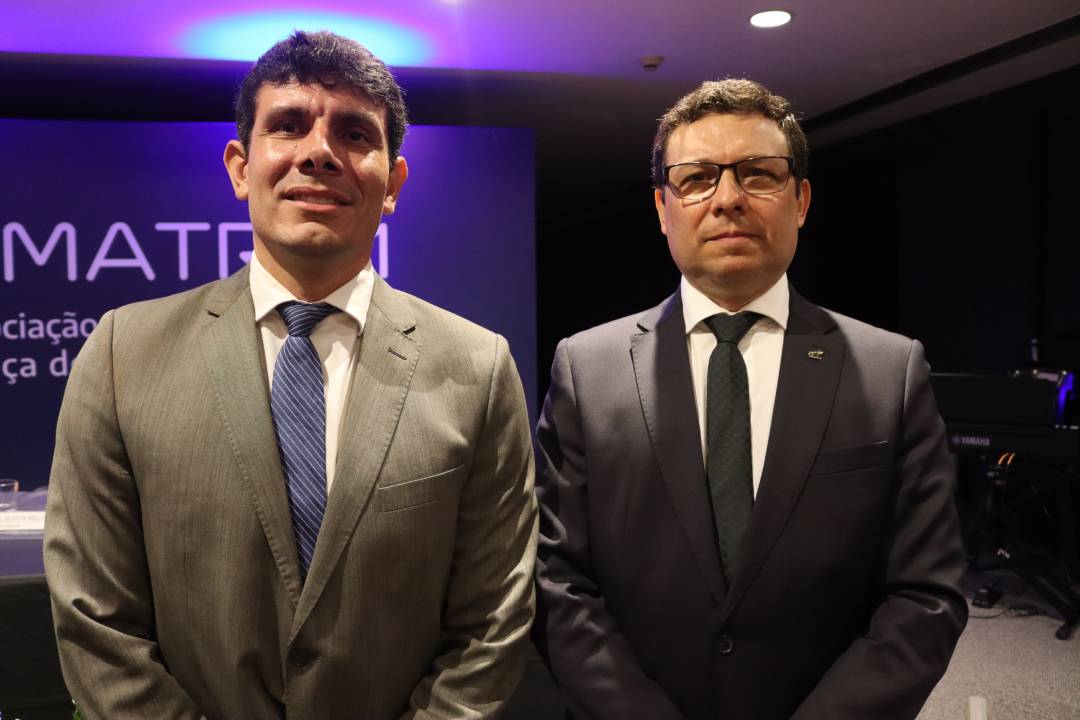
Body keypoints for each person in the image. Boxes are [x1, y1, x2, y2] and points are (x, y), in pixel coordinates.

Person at [44, 31, 536, 719]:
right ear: (241, 168)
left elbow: (492, 622)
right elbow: (95, 619)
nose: (318, 152)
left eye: (354, 134)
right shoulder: (124, 354)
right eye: (288, 125)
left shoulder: (477, 368)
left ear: (393, 184)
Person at [533, 78, 967, 720]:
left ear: (801, 200)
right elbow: (559, 583)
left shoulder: (889, 370)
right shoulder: (586, 369)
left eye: (758, 174)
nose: (728, 198)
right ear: (662, 208)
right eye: (697, 178)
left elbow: (926, 595)